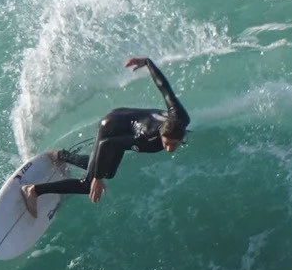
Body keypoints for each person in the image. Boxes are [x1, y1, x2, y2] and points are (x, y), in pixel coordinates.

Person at [29, 56, 189, 207]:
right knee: (88, 184)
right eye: (166, 143)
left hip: (124, 119)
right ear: (160, 134)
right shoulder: (147, 138)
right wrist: (97, 178)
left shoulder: (180, 117)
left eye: (173, 144)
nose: (169, 148)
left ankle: (61, 156)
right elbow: (107, 143)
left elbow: (164, 88)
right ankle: (34, 191)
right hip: (111, 127)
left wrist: (148, 62)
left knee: (108, 172)